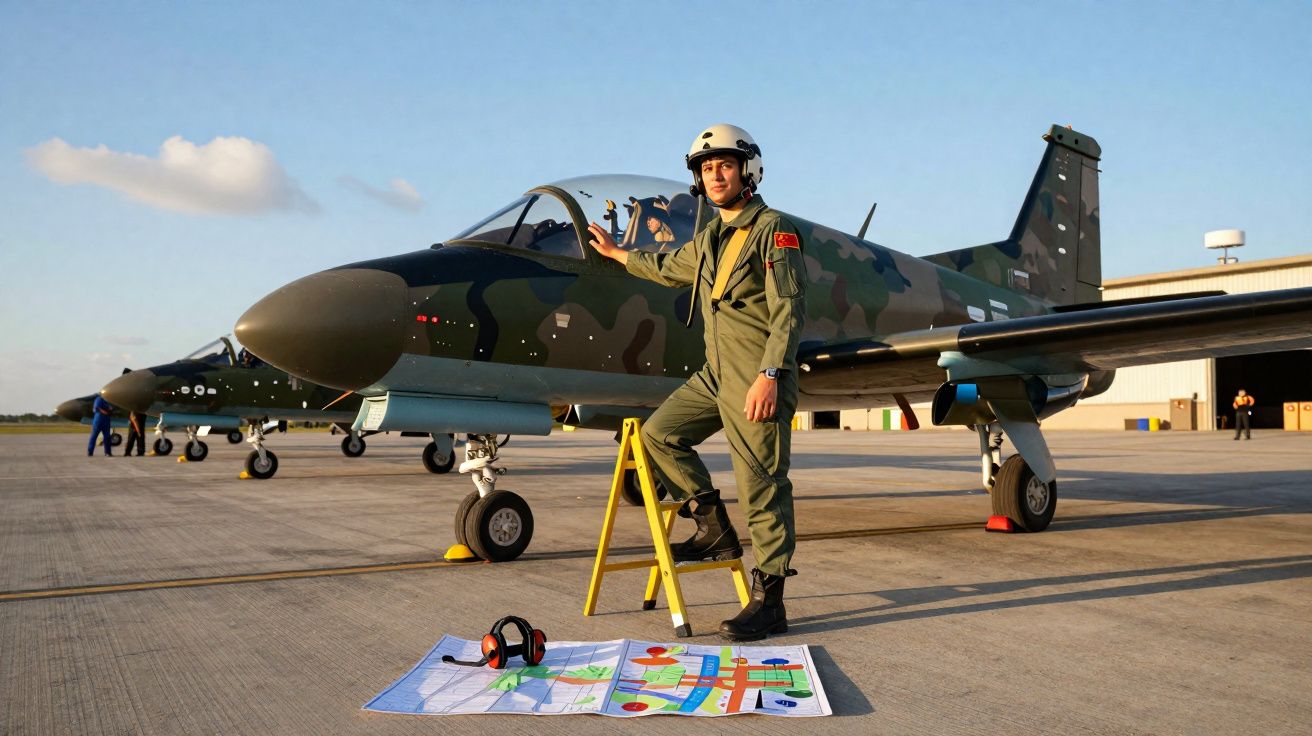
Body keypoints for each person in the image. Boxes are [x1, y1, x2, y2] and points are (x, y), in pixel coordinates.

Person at [587, 123, 807, 641]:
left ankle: (770, 600)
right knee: (659, 435)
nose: (715, 175)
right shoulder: (709, 238)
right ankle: (713, 528)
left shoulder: (774, 230)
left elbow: (790, 309)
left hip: (756, 374)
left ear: (747, 170)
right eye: (706, 168)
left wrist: (771, 374)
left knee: (763, 489)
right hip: (715, 374)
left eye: (724, 165)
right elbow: (668, 267)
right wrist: (619, 254)